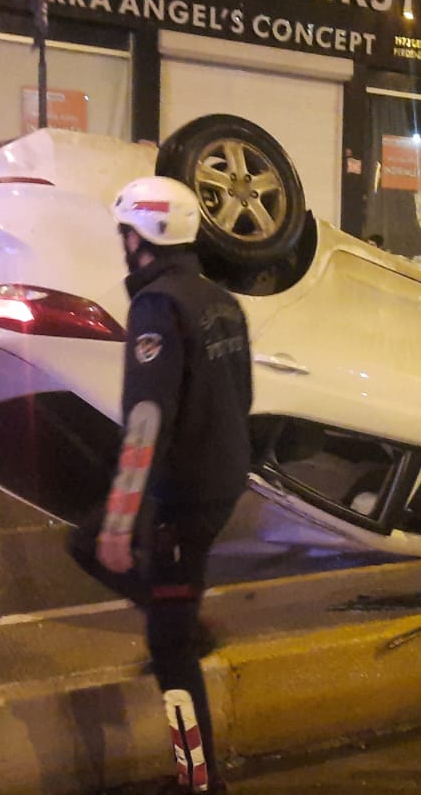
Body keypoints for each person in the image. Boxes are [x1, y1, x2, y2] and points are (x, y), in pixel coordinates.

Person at [66, 177, 251, 794]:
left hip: (182, 498)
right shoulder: (221, 300)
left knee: (169, 648)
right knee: (83, 542)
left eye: (124, 233)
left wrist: (124, 522)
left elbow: (147, 421)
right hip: (220, 481)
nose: (121, 245)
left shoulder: (157, 306)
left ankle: (198, 781)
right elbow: (242, 395)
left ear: (141, 238)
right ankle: (179, 612)